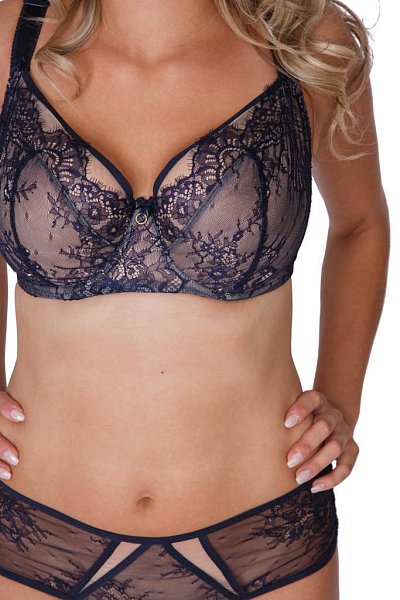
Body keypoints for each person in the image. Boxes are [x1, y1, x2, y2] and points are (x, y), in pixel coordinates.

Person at [0, 0, 389, 598]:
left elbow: (361, 223)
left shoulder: (306, 38)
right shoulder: (11, 32)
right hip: (37, 530)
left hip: (265, 534)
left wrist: (341, 398)